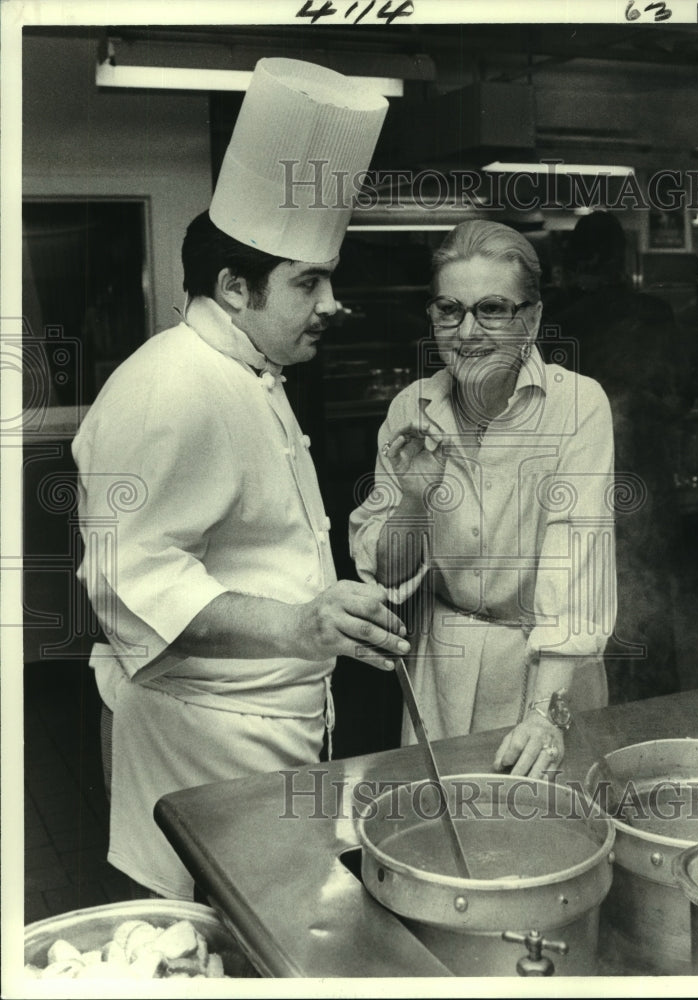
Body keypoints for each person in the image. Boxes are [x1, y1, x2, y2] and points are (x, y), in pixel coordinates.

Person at [71, 58, 406, 901]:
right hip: (207, 743)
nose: (333, 303)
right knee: (217, 939)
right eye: (308, 282)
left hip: (269, 725)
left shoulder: (247, 369)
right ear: (232, 287)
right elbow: (130, 579)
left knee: (278, 922)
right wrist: (298, 623)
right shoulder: (171, 386)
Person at [349, 220, 617, 778]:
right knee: (440, 835)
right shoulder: (411, 408)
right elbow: (387, 572)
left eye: (492, 309)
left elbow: (577, 563)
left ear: (533, 319)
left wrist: (545, 715)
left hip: (548, 671)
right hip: (441, 665)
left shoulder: (578, 405)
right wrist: (416, 502)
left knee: (548, 840)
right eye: (450, 310)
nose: (467, 332)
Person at [546, 210, 698, 702]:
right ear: (621, 259)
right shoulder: (655, 316)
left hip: (583, 495)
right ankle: (654, 721)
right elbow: (683, 396)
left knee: (589, 613)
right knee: (649, 616)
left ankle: (599, 732)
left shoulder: (557, 324)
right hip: (649, 490)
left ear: (576, 261)